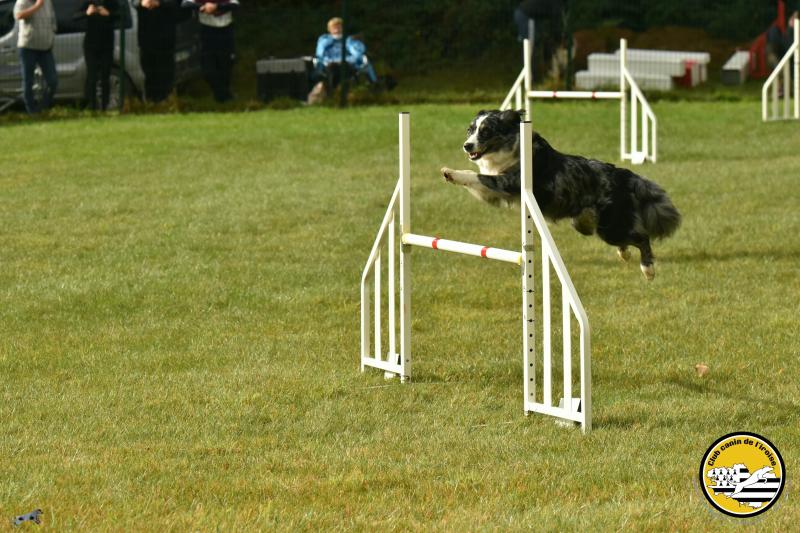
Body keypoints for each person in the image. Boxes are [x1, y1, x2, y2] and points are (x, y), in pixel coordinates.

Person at [182, 0, 239, 103]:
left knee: (226, 64)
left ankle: (224, 97)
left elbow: (235, 4)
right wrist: (203, 7)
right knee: (208, 67)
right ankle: (222, 95)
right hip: (207, 30)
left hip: (226, 30)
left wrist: (216, 7)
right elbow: (186, 4)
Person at [13, 0, 57, 114]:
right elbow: (18, 15)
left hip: (45, 47)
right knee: (28, 81)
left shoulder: (47, 2)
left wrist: (52, 34)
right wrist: (37, 6)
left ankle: (42, 108)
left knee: (53, 81)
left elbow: (52, 19)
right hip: (28, 46)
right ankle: (31, 111)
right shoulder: (23, 1)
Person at [133, 0, 182, 102]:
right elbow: (134, 2)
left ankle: (165, 100)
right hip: (146, 36)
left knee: (165, 72)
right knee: (149, 72)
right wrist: (141, 2)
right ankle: (151, 101)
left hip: (165, 37)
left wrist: (159, 3)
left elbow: (176, 4)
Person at [77, 0, 120, 110]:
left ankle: (104, 107)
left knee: (105, 76)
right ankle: (93, 107)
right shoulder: (89, 2)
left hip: (107, 45)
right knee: (92, 77)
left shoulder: (111, 2)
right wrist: (87, 13)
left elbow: (121, 15)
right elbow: (74, 16)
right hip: (91, 46)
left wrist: (108, 13)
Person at [313, 17, 377, 88]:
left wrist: (346, 60)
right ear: (329, 29)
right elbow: (320, 56)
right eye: (334, 28)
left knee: (342, 68)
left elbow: (358, 55)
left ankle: (339, 90)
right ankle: (335, 90)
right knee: (333, 68)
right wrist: (330, 62)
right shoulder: (324, 41)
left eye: (339, 27)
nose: (337, 30)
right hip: (330, 65)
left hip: (347, 64)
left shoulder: (350, 40)